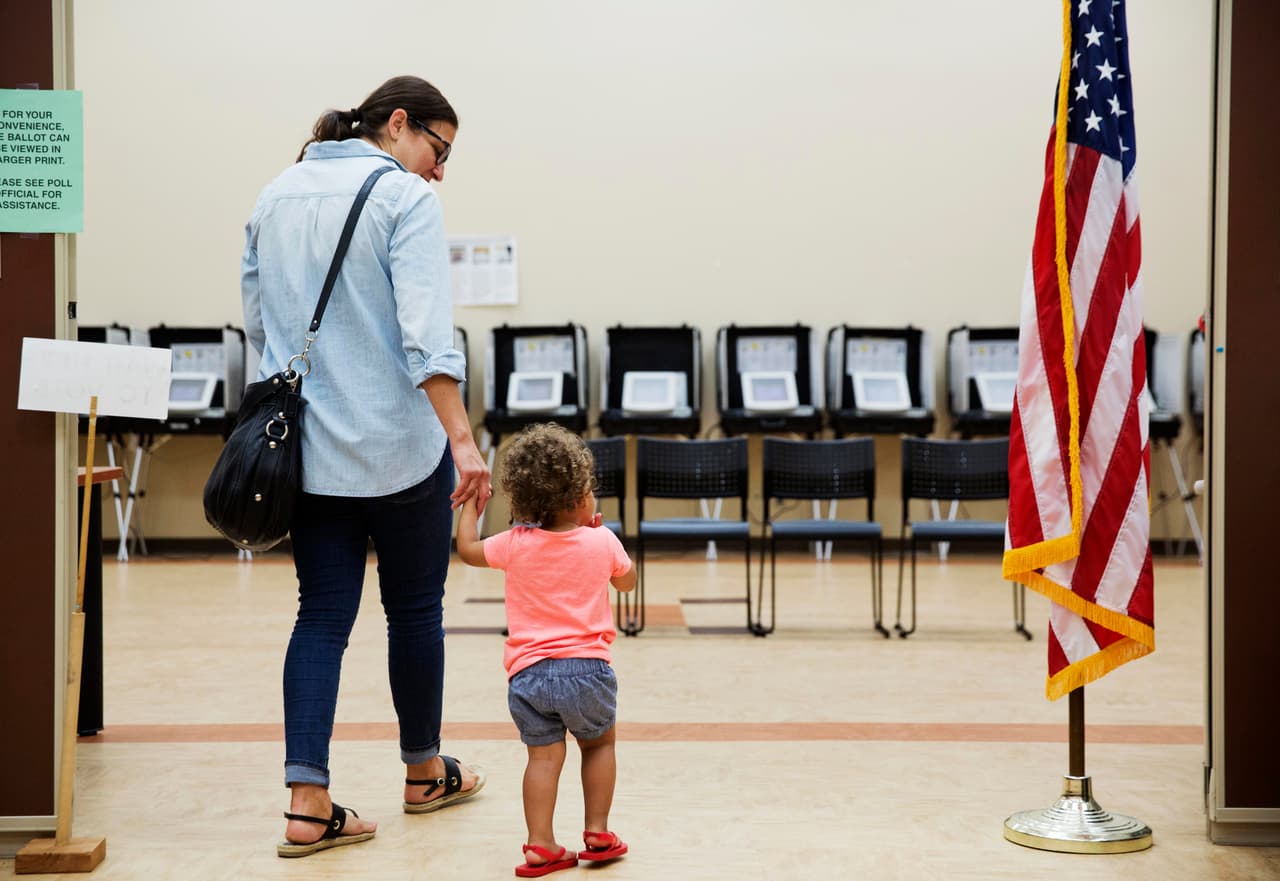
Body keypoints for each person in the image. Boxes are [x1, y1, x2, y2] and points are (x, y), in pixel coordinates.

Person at [241, 75, 490, 858]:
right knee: (415, 610)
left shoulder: (274, 194)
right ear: (398, 122)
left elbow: (259, 326)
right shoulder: (404, 199)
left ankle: (307, 804)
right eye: (438, 149)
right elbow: (426, 337)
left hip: (309, 454)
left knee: (320, 616)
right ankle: (423, 770)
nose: (440, 170)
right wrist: (462, 438)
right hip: (400, 450)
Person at [456, 423, 636, 877]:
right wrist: (601, 540)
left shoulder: (515, 544)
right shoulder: (601, 540)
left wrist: (472, 507)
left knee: (542, 757)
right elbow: (627, 581)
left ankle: (540, 845)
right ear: (579, 498)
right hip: (587, 671)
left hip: (528, 676)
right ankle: (597, 832)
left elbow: (467, 550)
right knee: (598, 746)